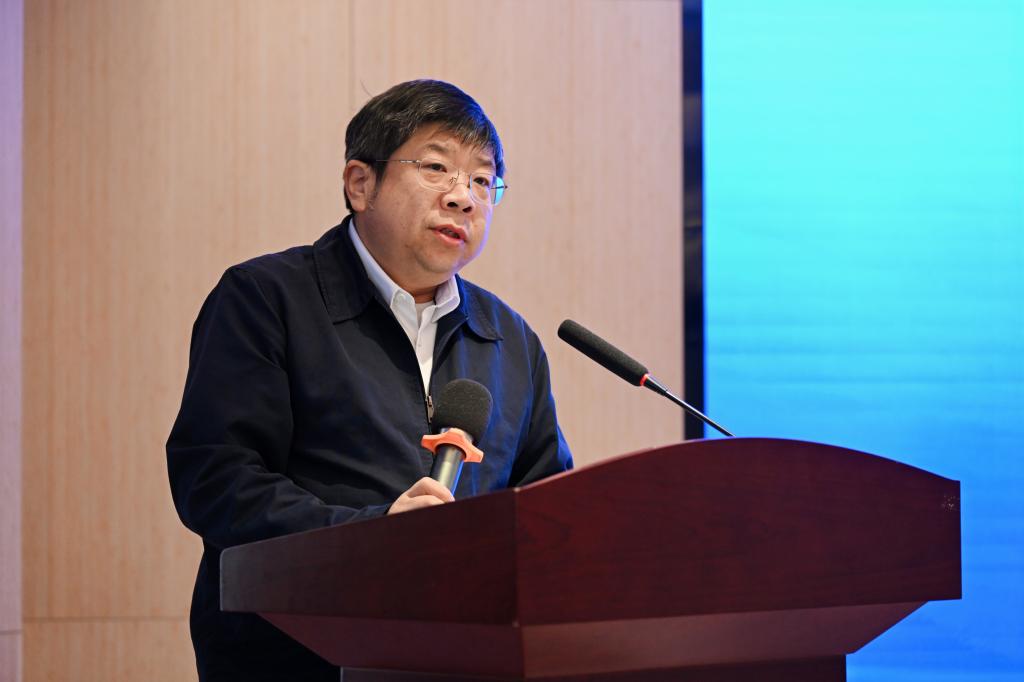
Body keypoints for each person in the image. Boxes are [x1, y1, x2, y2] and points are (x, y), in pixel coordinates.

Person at [166, 79, 573, 680]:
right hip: (296, 658)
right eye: (436, 167)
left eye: (484, 181)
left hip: (466, 661)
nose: (464, 197)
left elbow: (544, 509)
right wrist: (374, 537)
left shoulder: (510, 340)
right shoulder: (266, 300)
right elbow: (217, 481)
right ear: (361, 184)